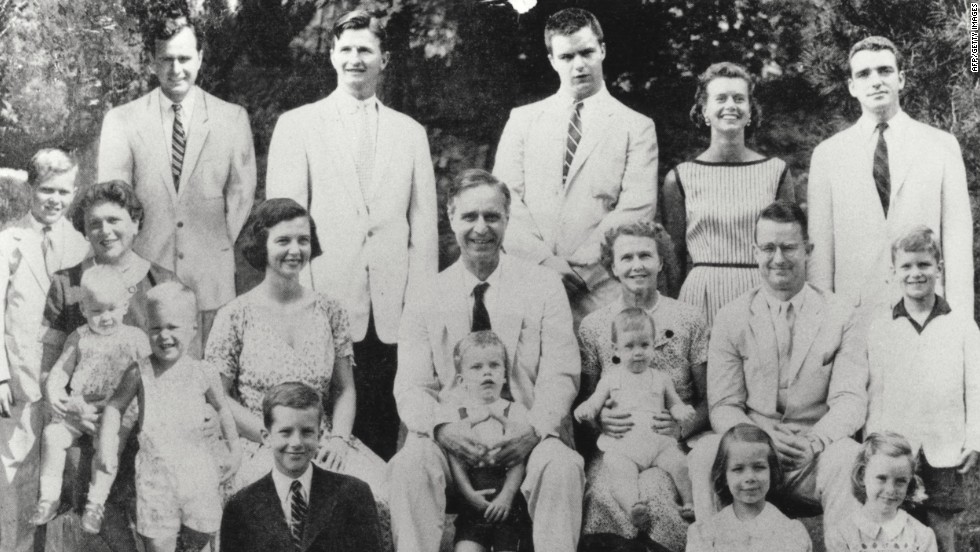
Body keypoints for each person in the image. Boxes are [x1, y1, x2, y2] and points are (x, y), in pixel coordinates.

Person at [266, 9, 438, 460]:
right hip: (322, 306)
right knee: (312, 433)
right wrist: (297, 304)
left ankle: (373, 525)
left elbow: (423, 233)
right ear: (331, 56)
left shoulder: (410, 133)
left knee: (379, 437)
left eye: (365, 49)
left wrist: (417, 311)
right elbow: (284, 229)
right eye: (345, 49)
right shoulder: (298, 125)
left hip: (388, 315)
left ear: (385, 58)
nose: (355, 59)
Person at [390, 169, 583, 552]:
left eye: (492, 217)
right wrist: (443, 428)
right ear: (450, 218)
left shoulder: (542, 286)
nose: (481, 228)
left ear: (508, 219)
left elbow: (560, 374)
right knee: (409, 466)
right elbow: (411, 385)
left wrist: (533, 430)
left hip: (525, 430)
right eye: (469, 217)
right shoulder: (426, 292)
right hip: (452, 437)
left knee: (562, 466)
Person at [205, 199, 391, 546]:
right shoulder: (234, 314)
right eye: (283, 241)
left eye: (303, 240)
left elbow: (344, 390)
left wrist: (336, 440)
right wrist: (266, 434)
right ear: (261, 244)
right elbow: (219, 396)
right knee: (257, 508)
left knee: (378, 496)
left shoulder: (330, 310)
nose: (295, 250)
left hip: (320, 440)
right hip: (256, 442)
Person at [687, 200, 866, 543]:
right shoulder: (731, 316)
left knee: (848, 457)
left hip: (811, 455)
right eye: (768, 248)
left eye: (788, 247)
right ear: (755, 251)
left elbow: (851, 400)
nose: (778, 259)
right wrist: (759, 439)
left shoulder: (841, 314)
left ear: (807, 250)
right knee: (706, 454)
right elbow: (724, 405)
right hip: (751, 451)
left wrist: (815, 441)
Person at [97, 8, 257, 345]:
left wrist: (216, 242)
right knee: (144, 376)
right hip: (144, 272)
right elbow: (113, 198)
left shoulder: (232, 118)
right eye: (166, 59)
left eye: (184, 58)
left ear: (200, 58)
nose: (176, 69)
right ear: (153, 61)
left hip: (210, 277)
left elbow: (242, 192)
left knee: (208, 376)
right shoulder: (121, 121)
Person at [492, 7, 658, 324]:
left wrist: (581, 271)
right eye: (567, 57)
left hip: (600, 291)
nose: (579, 65)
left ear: (602, 50)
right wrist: (543, 264)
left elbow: (637, 208)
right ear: (552, 59)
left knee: (603, 372)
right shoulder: (523, 120)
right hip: (530, 284)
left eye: (587, 52)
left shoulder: (635, 126)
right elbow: (503, 201)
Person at [40, 180, 178, 551]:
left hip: (144, 423)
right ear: (84, 229)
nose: (105, 230)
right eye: (94, 223)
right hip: (80, 423)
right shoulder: (67, 284)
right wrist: (69, 411)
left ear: (135, 223)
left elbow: (177, 369)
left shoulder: (160, 282)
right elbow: (50, 368)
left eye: (115, 220)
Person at [807, 36, 973, 312]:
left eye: (885, 71)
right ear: (852, 87)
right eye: (864, 74)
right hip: (855, 319)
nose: (876, 81)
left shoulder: (941, 145)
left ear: (901, 79)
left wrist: (960, 324)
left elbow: (957, 242)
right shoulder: (828, 155)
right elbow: (820, 256)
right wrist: (823, 327)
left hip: (927, 313)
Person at [577, 220, 708, 549]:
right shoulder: (594, 327)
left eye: (646, 255)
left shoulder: (689, 318)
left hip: (674, 444)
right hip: (618, 447)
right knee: (605, 492)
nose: (637, 265)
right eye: (626, 258)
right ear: (613, 268)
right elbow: (587, 402)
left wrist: (682, 427)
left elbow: (710, 400)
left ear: (661, 261)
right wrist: (599, 422)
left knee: (657, 489)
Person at [97, 282, 240, 552]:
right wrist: (107, 444)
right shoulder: (139, 372)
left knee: (201, 533)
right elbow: (115, 406)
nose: (164, 336)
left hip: (197, 471)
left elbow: (222, 408)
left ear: (193, 329)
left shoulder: (203, 372)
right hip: (156, 476)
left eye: (172, 327)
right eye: (155, 328)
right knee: (158, 542)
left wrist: (234, 449)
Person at [863, 225, 978, 552]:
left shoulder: (961, 325)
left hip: (944, 445)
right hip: (898, 447)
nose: (916, 273)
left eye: (924, 265)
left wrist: (975, 438)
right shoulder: (882, 326)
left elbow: (976, 386)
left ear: (939, 269)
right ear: (893, 272)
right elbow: (876, 391)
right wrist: (873, 442)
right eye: (907, 266)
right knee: (893, 518)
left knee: (941, 522)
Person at [0, 149, 88, 552]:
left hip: (62, 382)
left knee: (58, 481)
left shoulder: (82, 245)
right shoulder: (8, 242)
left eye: (64, 191)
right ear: (31, 189)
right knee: (14, 475)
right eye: (47, 190)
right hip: (18, 382)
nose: (55, 199)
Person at [661, 62, 793, 324]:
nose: (730, 105)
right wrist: (675, 320)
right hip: (701, 299)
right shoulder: (680, 177)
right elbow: (673, 259)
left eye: (739, 99)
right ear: (704, 111)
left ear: (750, 112)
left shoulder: (776, 172)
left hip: (762, 298)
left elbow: (788, 249)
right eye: (720, 98)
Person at [31, 267, 148, 535]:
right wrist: (56, 391)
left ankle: (96, 503)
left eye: (111, 309)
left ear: (125, 306)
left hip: (115, 414)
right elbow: (61, 368)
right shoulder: (80, 336)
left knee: (107, 450)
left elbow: (149, 376)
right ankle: (49, 497)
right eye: (96, 311)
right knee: (52, 435)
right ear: (84, 309)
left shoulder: (135, 339)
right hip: (80, 408)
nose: (105, 318)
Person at [221, 382, 382, 552]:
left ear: (319, 436)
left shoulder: (354, 494)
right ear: (266, 437)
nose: (296, 443)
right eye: (285, 432)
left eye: (306, 432)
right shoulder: (240, 507)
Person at [574, 308, 696, 529]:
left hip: (658, 445)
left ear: (654, 344)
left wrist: (681, 412)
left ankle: (690, 502)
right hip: (624, 447)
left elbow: (674, 403)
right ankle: (633, 507)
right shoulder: (611, 379)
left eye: (644, 345)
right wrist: (587, 409)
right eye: (629, 346)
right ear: (616, 348)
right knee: (620, 473)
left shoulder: (661, 378)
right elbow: (594, 401)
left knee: (681, 464)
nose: (638, 352)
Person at [446, 331, 531, 552]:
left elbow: (518, 459)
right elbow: (455, 459)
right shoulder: (458, 415)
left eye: (494, 365)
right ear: (461, 380)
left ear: (504, 375)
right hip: (475, 504)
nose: (487, 372)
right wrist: (468, 494)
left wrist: (507, 496)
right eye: (477, 367)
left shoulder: (515, 411)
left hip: (509, 504)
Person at [686, 424, 812, 552]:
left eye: (758, 467)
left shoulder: (789, 532)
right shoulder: (706, 532)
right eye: (738, 469)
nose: (750, 477)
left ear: (771, 471)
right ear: (724, 476)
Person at [825, 432, 937, 552]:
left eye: (900, 481)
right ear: (863, 476)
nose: (890, 490)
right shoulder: (841, 535)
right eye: (881, 478)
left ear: (909, 482)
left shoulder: (921, 536)